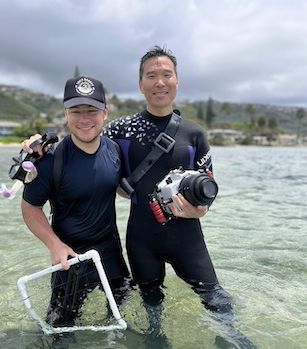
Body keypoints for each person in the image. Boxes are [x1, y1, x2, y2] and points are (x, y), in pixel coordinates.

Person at [101, 45, 234, 323]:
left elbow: (208, 186)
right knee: (151, 311)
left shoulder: (194, 133)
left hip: (188, 238)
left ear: (176, 81)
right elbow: (82, 141)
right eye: (151, 76)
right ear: (140, 85)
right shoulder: (119, 130)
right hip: (141, 239)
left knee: (220, 304)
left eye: (166, 74)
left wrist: (202, 210)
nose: (159, 82)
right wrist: (40, 148)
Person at [21, 76, 129, 326]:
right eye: (75, 111)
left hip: (111, 255)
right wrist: (54, 245)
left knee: (122, 320)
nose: (84, 119)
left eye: (91, 111)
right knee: (60, 330)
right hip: (69, 259)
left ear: (105, 112)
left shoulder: (114, 150)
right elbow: (30, 207)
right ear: (65, 114)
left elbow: (121, 188)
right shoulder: (50, 160)